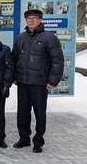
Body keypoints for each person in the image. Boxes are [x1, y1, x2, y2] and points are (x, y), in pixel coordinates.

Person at [12, 9, 64, 153]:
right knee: (22, 113)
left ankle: (38, 141)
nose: (31, 21)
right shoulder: (21, 38)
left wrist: (52, 81)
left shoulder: (49, 38)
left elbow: (57, 61)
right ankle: (24, 138)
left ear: (41, 20)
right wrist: (14, 77)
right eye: (28, 18)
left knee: (39, 113)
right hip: (23, 83)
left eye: (34, 18)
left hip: (40, 83)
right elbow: (14, 59)